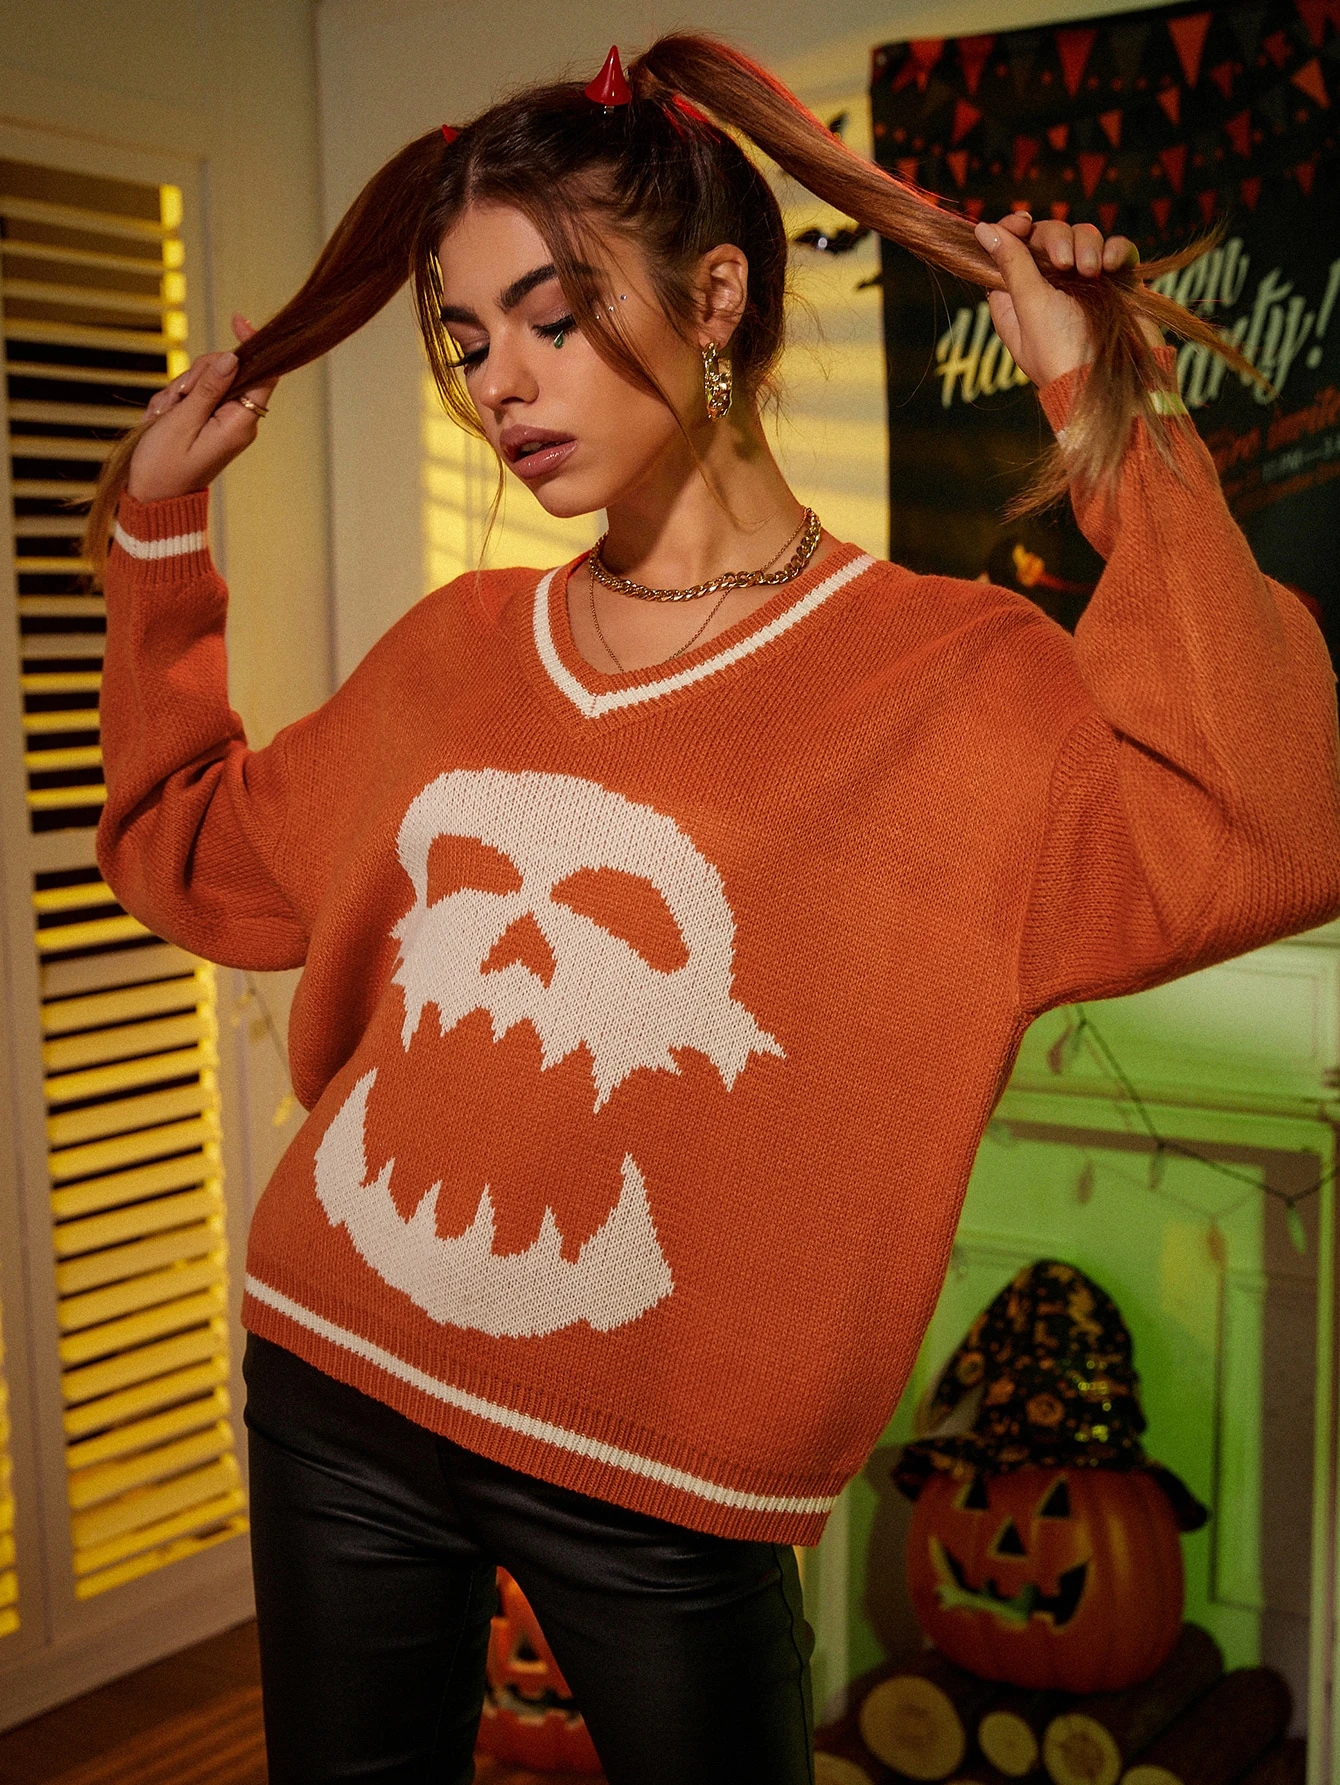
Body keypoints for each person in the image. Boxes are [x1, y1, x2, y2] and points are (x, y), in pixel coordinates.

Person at [85, 35, 1340, 1785]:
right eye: (469, 339)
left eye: (550, 315)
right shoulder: (457, 652)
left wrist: (1099, 400)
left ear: (720, 296)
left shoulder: (953, 681)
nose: (502, 383)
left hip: (670, 1477)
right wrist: (157, 532)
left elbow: (1265, 819)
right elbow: (191, 848)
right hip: (339, 1382)